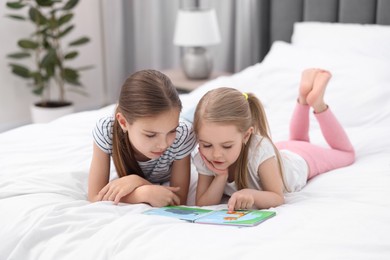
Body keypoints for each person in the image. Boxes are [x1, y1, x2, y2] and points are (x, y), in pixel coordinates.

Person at [192, 68, 355, 211]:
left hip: (301, 159)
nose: (216, 154)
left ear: (246, 135)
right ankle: (304, 98)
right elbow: (203, 204)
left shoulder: (259, 151)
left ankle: (317, 104)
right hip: (279, 152)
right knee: (298, 139)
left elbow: (277, 197)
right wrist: (221, 176)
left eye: (227, 146)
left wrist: (251, 194)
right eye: (206, 145)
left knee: (346, 154)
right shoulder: (205, 156)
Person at [88, 69, 197, 206]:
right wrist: (142, 193)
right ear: (123, 122)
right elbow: (94, 196)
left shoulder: (182, 135)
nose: (163, 144)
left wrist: (137, 181)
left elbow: (178, 199)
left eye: (171, 131)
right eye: (151, 135)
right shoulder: (106, 131)